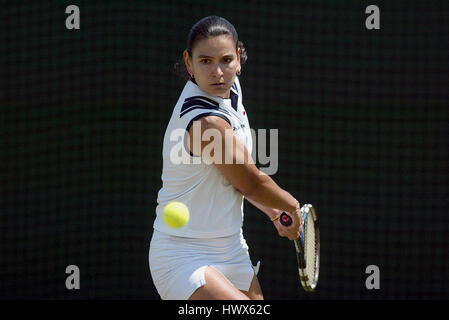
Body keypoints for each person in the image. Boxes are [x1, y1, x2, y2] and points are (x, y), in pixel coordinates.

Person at [149, 16, 302, 300]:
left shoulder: (230, 90)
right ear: (189, 62)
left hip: (231, 248)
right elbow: (251, 184)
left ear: (239, 60)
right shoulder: (207, 123)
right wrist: (292, 206)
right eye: (205, 61)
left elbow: (234, 178)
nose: (217, 72)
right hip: (181, 255)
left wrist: (273, 211)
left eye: (226, 60)